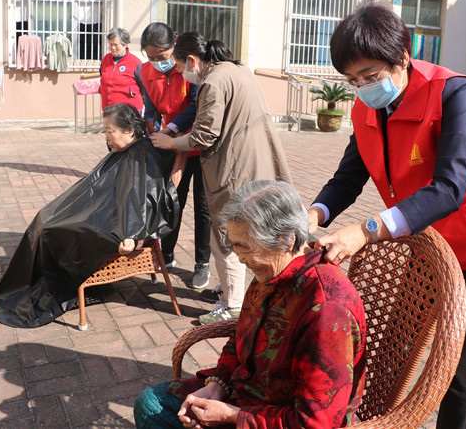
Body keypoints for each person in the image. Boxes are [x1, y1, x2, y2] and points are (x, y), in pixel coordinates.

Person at [307, 4, 466, 429]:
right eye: (352, 80)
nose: (362, 88)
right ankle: (376, 418)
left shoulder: (454, 93)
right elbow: (347, 177)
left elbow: (450, 187)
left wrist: (368, 230)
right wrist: (314, 214)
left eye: (370, 76)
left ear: (402, 58)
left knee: (460, 372)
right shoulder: (365, 108)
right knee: (395, 346)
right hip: (427, 239)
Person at [134, 180, 367, 428]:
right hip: (248, 393)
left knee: (153, 410)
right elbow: (240, 337)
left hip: (277, 417)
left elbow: (316, 422)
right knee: (151, 404)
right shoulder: (272, 269)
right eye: (235, 245)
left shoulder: (325, 310)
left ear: (287, 240)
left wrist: (232, 416)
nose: (240, 257)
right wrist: (217, 385)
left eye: (243, 247)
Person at [0, 103, 180, 328]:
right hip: (107, 215)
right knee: (45, 218)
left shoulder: (143, 156)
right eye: (104, 131)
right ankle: (38, 280)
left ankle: (55, 284)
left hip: (119, 228)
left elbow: (145, 206)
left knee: (53, 229)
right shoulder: (123, 153)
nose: (106, 137)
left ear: (129, 131)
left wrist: (134, 236)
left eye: (109, 131)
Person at [150, 32, 291, 324]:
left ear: (192, 60)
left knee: (228, 236)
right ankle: (238, 290)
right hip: (257, 158)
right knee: (254, 229)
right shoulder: (237, 69)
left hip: (236, 166)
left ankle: (233, 306)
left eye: (179, 67)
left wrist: (170, 143)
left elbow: (204, 135)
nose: (180, 73)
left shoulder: (212, 81)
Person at [140, 22, 212, 288]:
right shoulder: (145, 71)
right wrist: (152, 127)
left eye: (162, 56)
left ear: (174, 47)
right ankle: (165, 254)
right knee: (172, 200)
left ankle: (202, 263)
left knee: (204, 207)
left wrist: (170, 129)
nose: (157, 62)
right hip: (171, 144)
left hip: (198, 141)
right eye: (150, 57)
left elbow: (195, 105)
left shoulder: (188, 67)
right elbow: (150, 108)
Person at [99, 28, 144, 112]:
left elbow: (143, 86)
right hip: (109, 110)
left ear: (124, 44)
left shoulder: (135, 63)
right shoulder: (105, 60)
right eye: (111, 44)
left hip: (129, 111)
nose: (113, 48)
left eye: (116, 45)